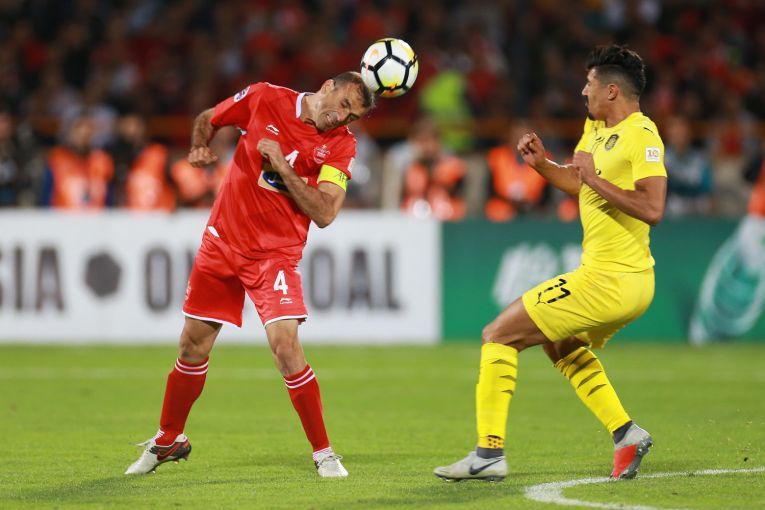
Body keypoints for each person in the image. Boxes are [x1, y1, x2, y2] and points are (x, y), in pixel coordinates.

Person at [433, 45, 667, 482]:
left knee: (497, 335)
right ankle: (626, 434)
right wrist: (542, 165)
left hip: (616, 280)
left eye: (590, 84)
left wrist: (593, 177)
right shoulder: (595, 129)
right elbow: (580, 183)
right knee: (559, 345)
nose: (583, 91)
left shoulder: (643, 136)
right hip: (605, 276)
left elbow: (653, 208)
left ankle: (488, 453)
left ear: (612, 91)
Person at [125, 72, 374, 477]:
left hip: (274, 256)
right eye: (344, 105)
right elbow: (209, 117)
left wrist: (283, 166)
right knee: (191, 347)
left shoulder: (342, 145)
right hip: (222, 242)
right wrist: (199, 145)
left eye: (352, 116)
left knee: (286, 348)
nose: (342, 118)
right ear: (328, 86)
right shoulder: (264, 98)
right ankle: (168, 438)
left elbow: (326, 212)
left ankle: (324, 453)